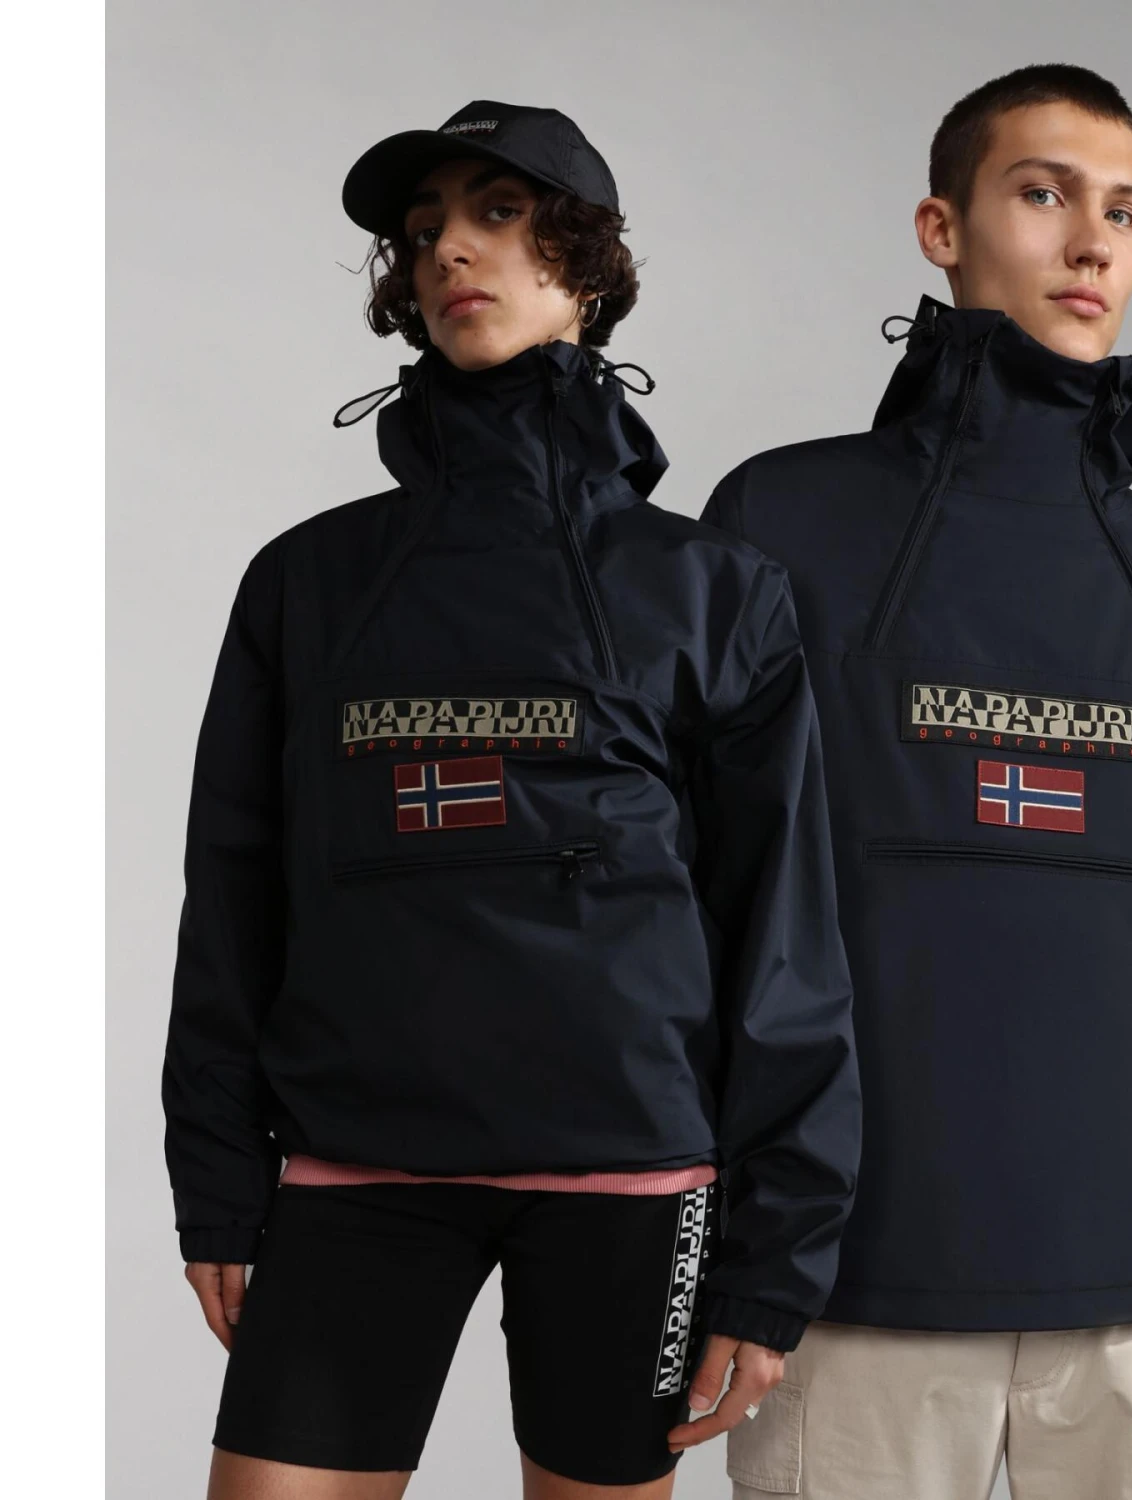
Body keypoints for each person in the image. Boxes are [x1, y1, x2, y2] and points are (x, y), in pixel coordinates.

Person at [160, 98, 860, 1499]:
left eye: (496, 214)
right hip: (361, 1161)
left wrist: (776, 1257)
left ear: (587, 265)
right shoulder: (307, 583)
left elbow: (782, 930)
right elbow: (232, 896)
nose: (449, 253)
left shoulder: (710, 590)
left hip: (631, 1176)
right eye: (425, 232)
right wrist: (220, 1180)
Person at [695, 65, 1132, 1500]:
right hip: (847, 1294)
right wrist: (718, 1250)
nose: (1091, 241)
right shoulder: (779, 528)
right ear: (942, 227)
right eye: (1043, 194)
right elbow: (699, 903)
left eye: (1125, 211)